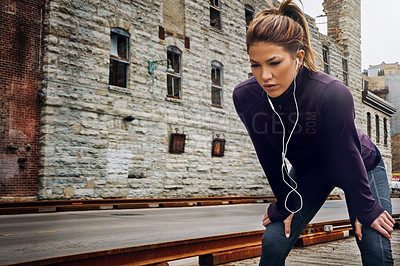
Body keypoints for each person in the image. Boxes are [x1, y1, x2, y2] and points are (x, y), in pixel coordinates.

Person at [232, 0, 395, 265]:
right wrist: (285, 202)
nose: (265, 76)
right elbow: (269, 158)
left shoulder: (331, 94)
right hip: (311, 171)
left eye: (274, 63)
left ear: (297, 58)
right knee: (273, 240)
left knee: (373, 243)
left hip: (360, 165)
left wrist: (364, 207)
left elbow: (346, 154)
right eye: (256, 65)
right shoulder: (246, 97)